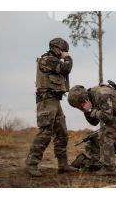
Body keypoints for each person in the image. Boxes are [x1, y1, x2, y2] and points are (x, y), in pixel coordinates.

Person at [25, 38, 77, 177]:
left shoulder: (53, 60)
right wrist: (68, 58)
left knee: (62, 133)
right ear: (57, 48)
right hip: (46, 100)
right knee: (45, 133)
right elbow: (66, 69)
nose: (64, 53)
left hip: (54, 100)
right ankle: (31, 164)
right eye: (63, 50)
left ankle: (63, 164)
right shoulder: (48, 59)